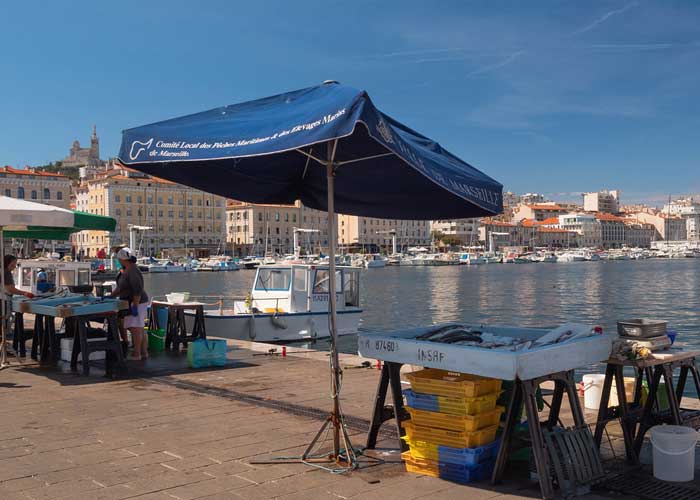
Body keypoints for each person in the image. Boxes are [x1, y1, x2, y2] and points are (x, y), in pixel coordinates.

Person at [110, 248, 149, 360]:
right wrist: (111, 296)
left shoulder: (133, 271)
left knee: (135, 327)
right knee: (139, 327)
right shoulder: (127, 269)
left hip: (137, 301)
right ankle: (143, 352)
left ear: (123, 259)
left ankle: (137, 354)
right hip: (131, 301)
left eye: (119, 259)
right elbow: (121, 287)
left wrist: (135, 305)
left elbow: (137, 289)